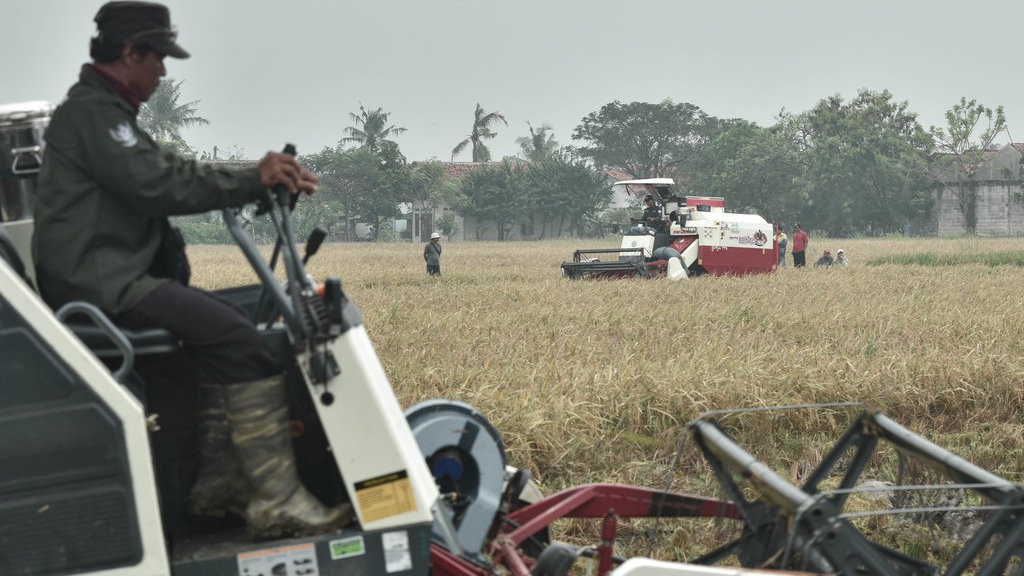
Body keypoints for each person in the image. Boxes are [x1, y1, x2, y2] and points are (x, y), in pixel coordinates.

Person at [31, 1, 350, 539]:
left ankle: (217, 487)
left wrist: (251, 175)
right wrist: (252, 178)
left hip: (107, 277)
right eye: (158, 57)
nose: (163, 70)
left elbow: (166, 171)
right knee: (241, 340)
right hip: (102, 284)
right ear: (130, 52)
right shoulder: (94, 116)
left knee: (225, 327)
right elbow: (160, 185)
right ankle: (276, 500)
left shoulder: (107, 114)